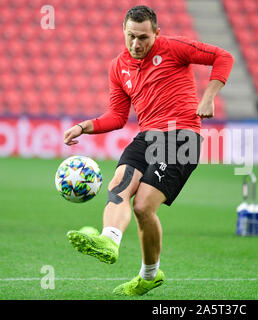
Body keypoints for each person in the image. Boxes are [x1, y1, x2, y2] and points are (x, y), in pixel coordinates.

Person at [63, 5, 233, 296]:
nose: (136, 44)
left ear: (157, 32)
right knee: (119, 184)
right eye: (131, 36)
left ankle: (149, 274)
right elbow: (117, 116)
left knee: (143, 206)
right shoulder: (119, 67)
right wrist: (84, 126)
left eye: (143, 37)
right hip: (148, 137)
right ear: (123, 32)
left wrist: (208, 97)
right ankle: (109, 240)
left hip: (182, 137)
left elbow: (223, 56)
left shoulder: (175, 48)